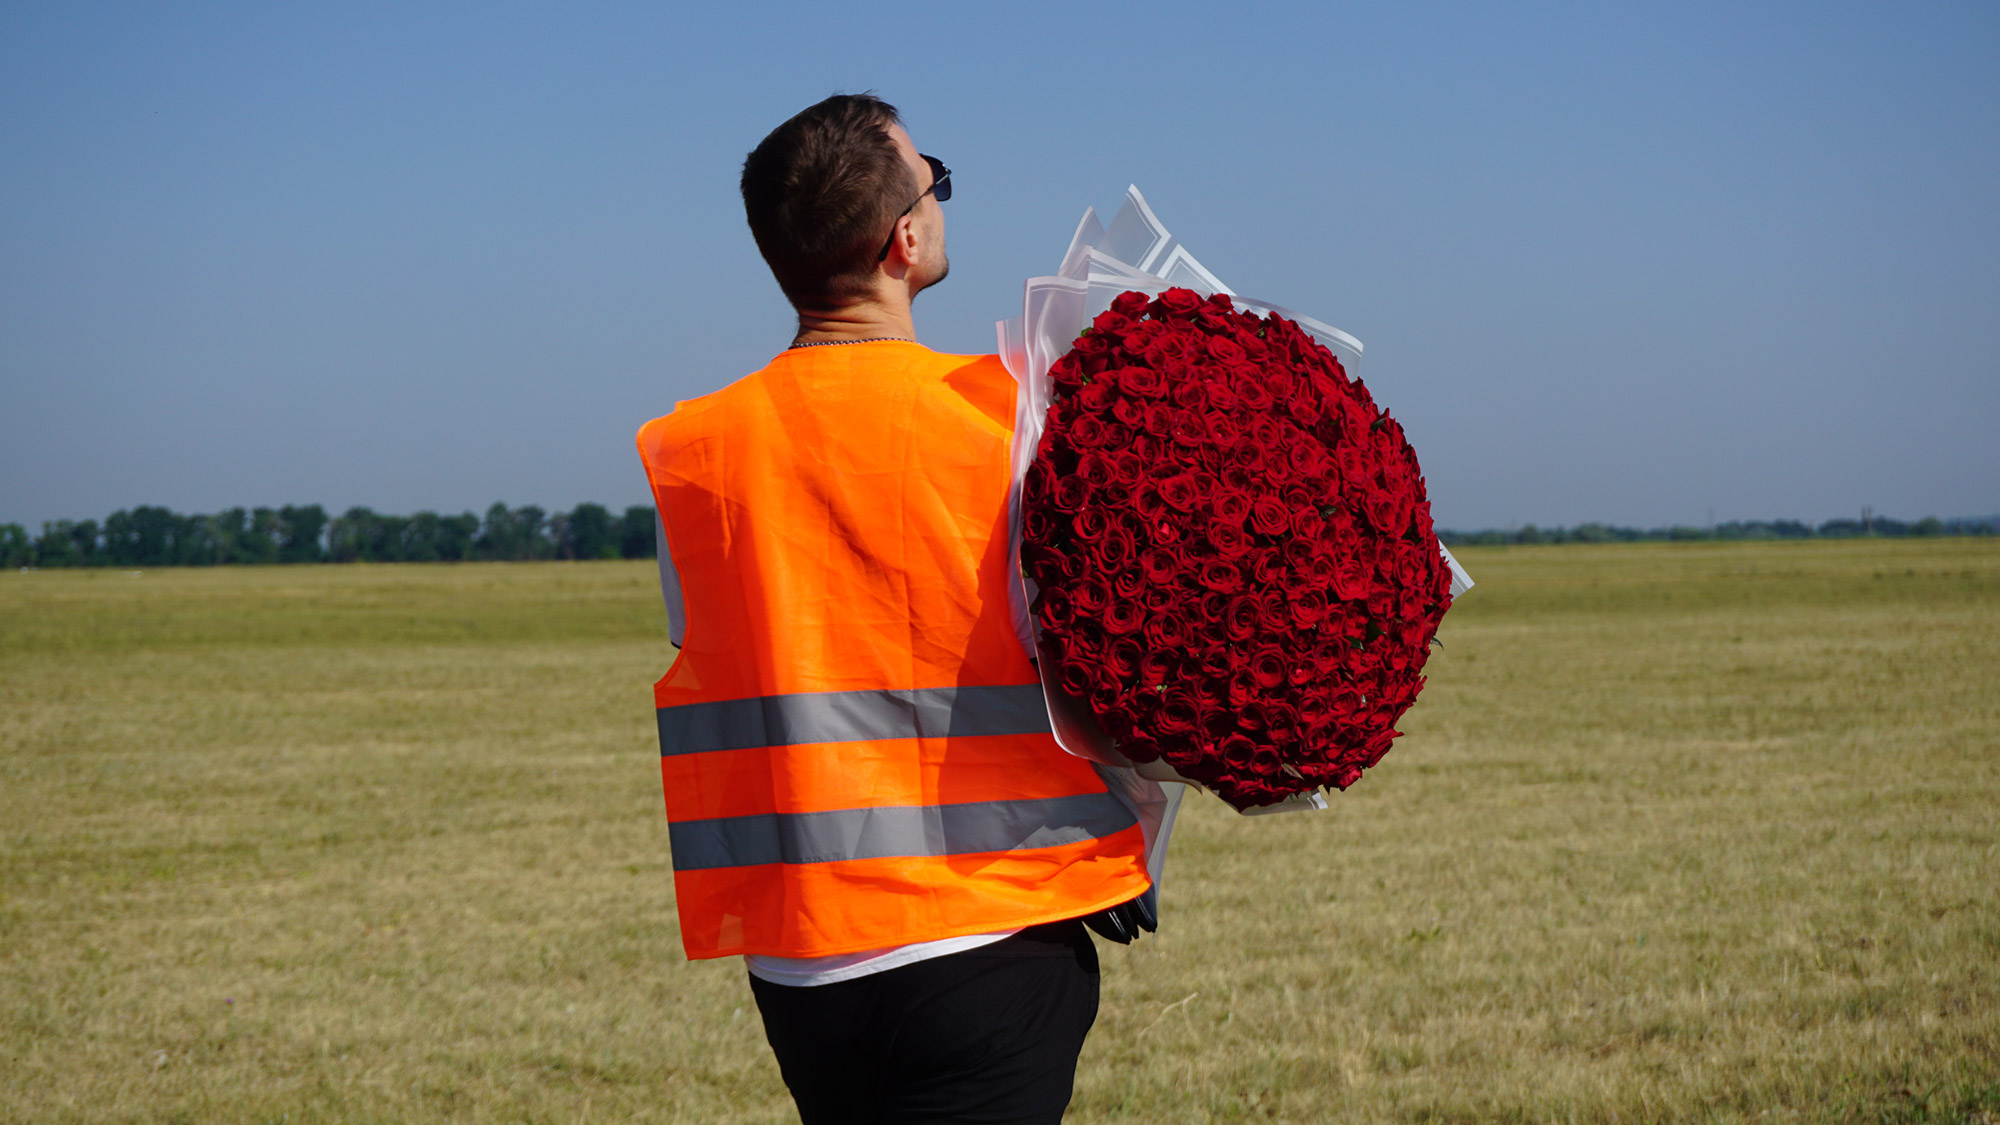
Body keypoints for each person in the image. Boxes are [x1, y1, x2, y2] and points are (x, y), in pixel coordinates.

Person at [634, 94, 1154, 1124]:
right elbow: (1086, 661)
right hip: (990, 935)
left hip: (800, 963)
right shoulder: (1008, 416)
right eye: (935, 185)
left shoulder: (691, 453)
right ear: (903, 240)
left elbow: (720, 645)